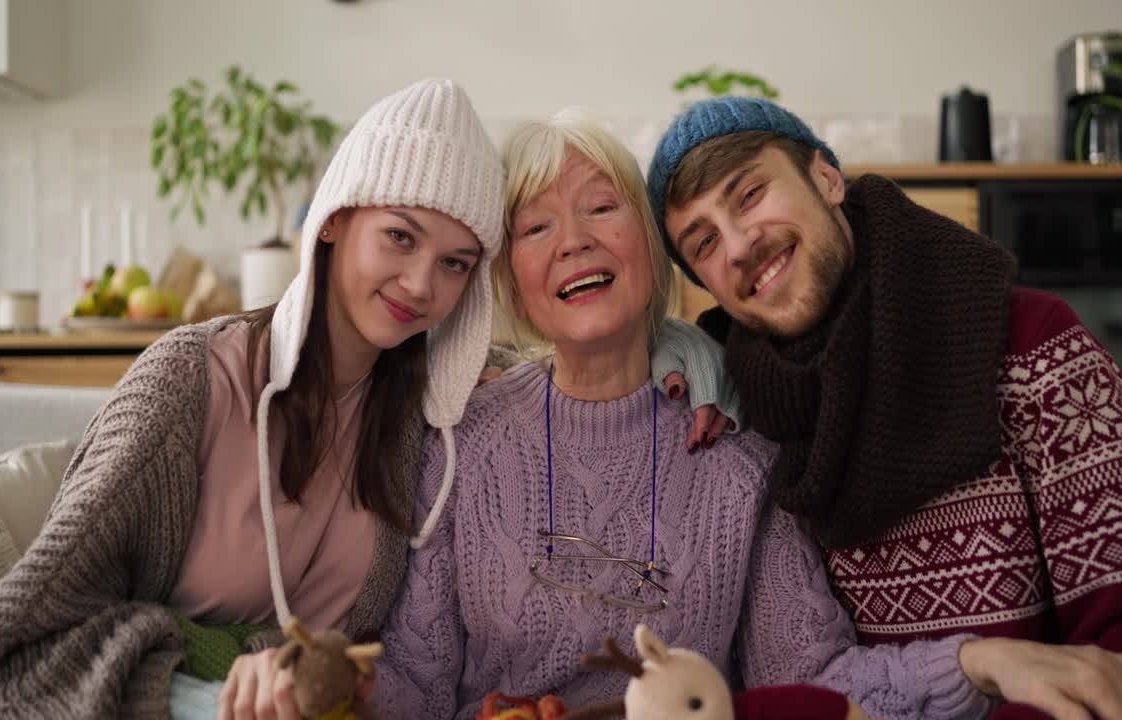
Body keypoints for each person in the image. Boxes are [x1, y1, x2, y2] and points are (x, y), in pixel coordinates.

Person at [372, 110, 1045, 720]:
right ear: (508, 277)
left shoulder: (739, 449)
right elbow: (415, 684)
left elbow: (810, 677)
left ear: (653, 247)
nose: (573, 241)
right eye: (537, 226)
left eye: (602, 208)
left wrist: (976, 662)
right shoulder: (462, 443)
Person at [0, 78, 507, 719]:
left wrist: (656, 357)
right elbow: (18, 642)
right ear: (334, 222)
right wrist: (213, 693)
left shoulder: (425, 415)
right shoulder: (189, 381)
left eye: (455, 263)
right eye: (400, 238)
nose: (420, 284)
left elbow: (564, 367)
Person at [645, 95, 1122, 719]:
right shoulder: (738, 414)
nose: (740, 247)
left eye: (749, 195)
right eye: (704, 244)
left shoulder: (1033, 347)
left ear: (826, 177)